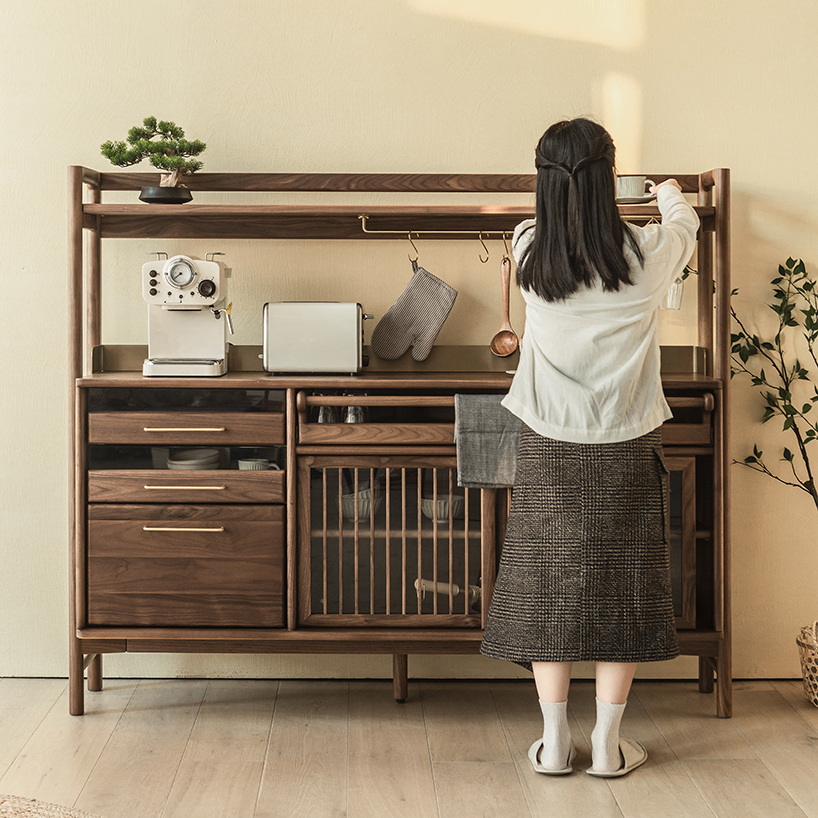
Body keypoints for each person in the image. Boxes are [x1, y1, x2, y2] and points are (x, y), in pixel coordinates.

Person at [480, 118, 699, 777]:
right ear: (609, 179)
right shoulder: (652, 252)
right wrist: (666, 190)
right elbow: (685, 226)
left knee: (549, 581)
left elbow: (544, 226)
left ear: (544, 183)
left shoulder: (526, 250)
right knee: (623, 583)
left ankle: (554, 744)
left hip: (548, 438)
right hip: (627, 438)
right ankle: (607, 744)